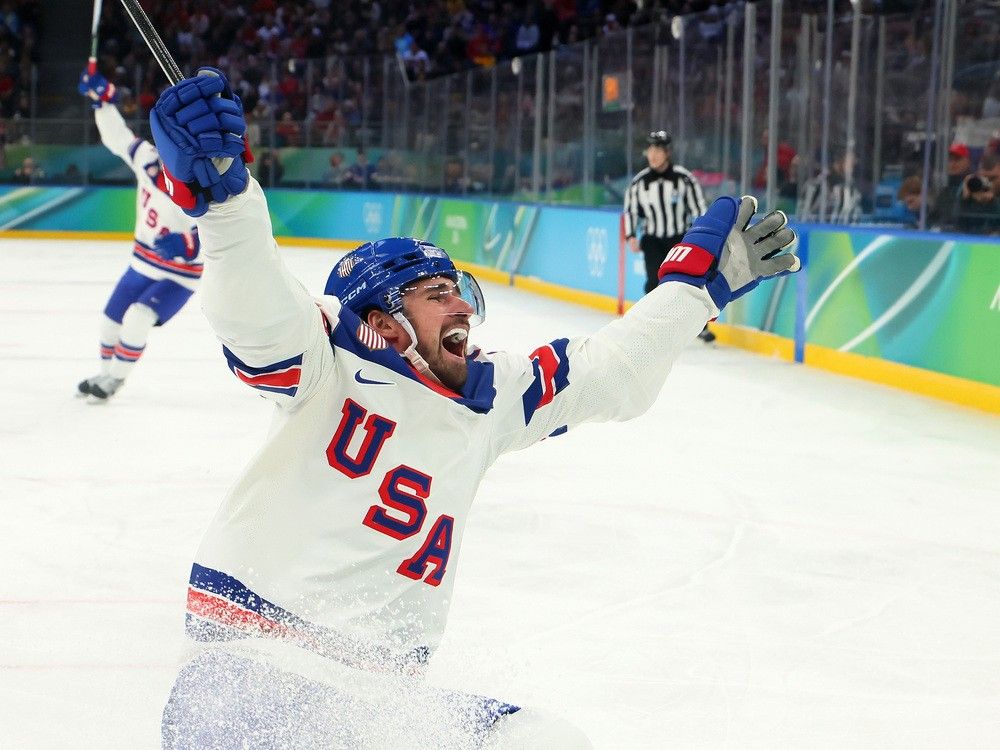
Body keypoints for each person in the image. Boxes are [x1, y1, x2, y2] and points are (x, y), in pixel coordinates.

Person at [149, 68, 799, 748]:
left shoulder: (494, 395)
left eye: (460, 291)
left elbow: (613, 376)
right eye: (436, 292)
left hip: (378, 700)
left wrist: (694, 291)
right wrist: (227, 201)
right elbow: (255, 307)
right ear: (384, 319)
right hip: (252, 663)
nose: (461, 305)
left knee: (545, 739)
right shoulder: (325, 358)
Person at [75, 66, 201, 401]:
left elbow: (220, 226)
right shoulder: (147, 157)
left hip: (181, 274)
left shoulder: (198, 178)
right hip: (142, 260)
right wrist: (103, 104)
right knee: (109, 320)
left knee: (137, 318)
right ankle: (103, 374)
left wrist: (189, 244)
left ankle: (114, 380)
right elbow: (118, 138)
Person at [623, 130, 712, 342]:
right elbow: (631, 211)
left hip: (679, 239)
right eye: (650, 150)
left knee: (689, 283)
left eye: (658, 150)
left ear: (667, 152)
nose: (652, 155)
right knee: (654, 281)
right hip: (652, 239)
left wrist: (700, 236)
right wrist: (630, 235)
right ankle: (652, 326)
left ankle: (699, 324)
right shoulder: (639, 182)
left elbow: (699, 208)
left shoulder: (684, 179)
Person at [955, 150, 1000, 234]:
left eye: (993, 178)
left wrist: (993, 200)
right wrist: (964, 197)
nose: (988, 182)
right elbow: (956, 222)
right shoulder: (975, 189)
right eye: (984, 177)